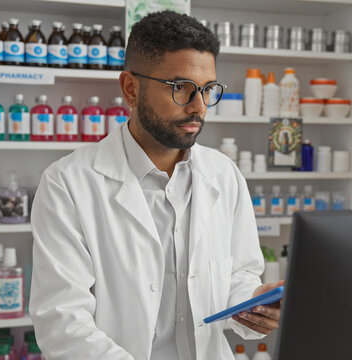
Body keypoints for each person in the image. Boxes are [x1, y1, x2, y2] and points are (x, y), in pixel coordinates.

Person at [29, 10, 283, 360]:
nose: (199, 108)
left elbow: (240, 273)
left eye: (208, 89)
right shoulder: (68, 183)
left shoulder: (224, 174)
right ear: (131, 89)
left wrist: (254, 307)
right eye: (181, 88)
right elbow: (61, 321)